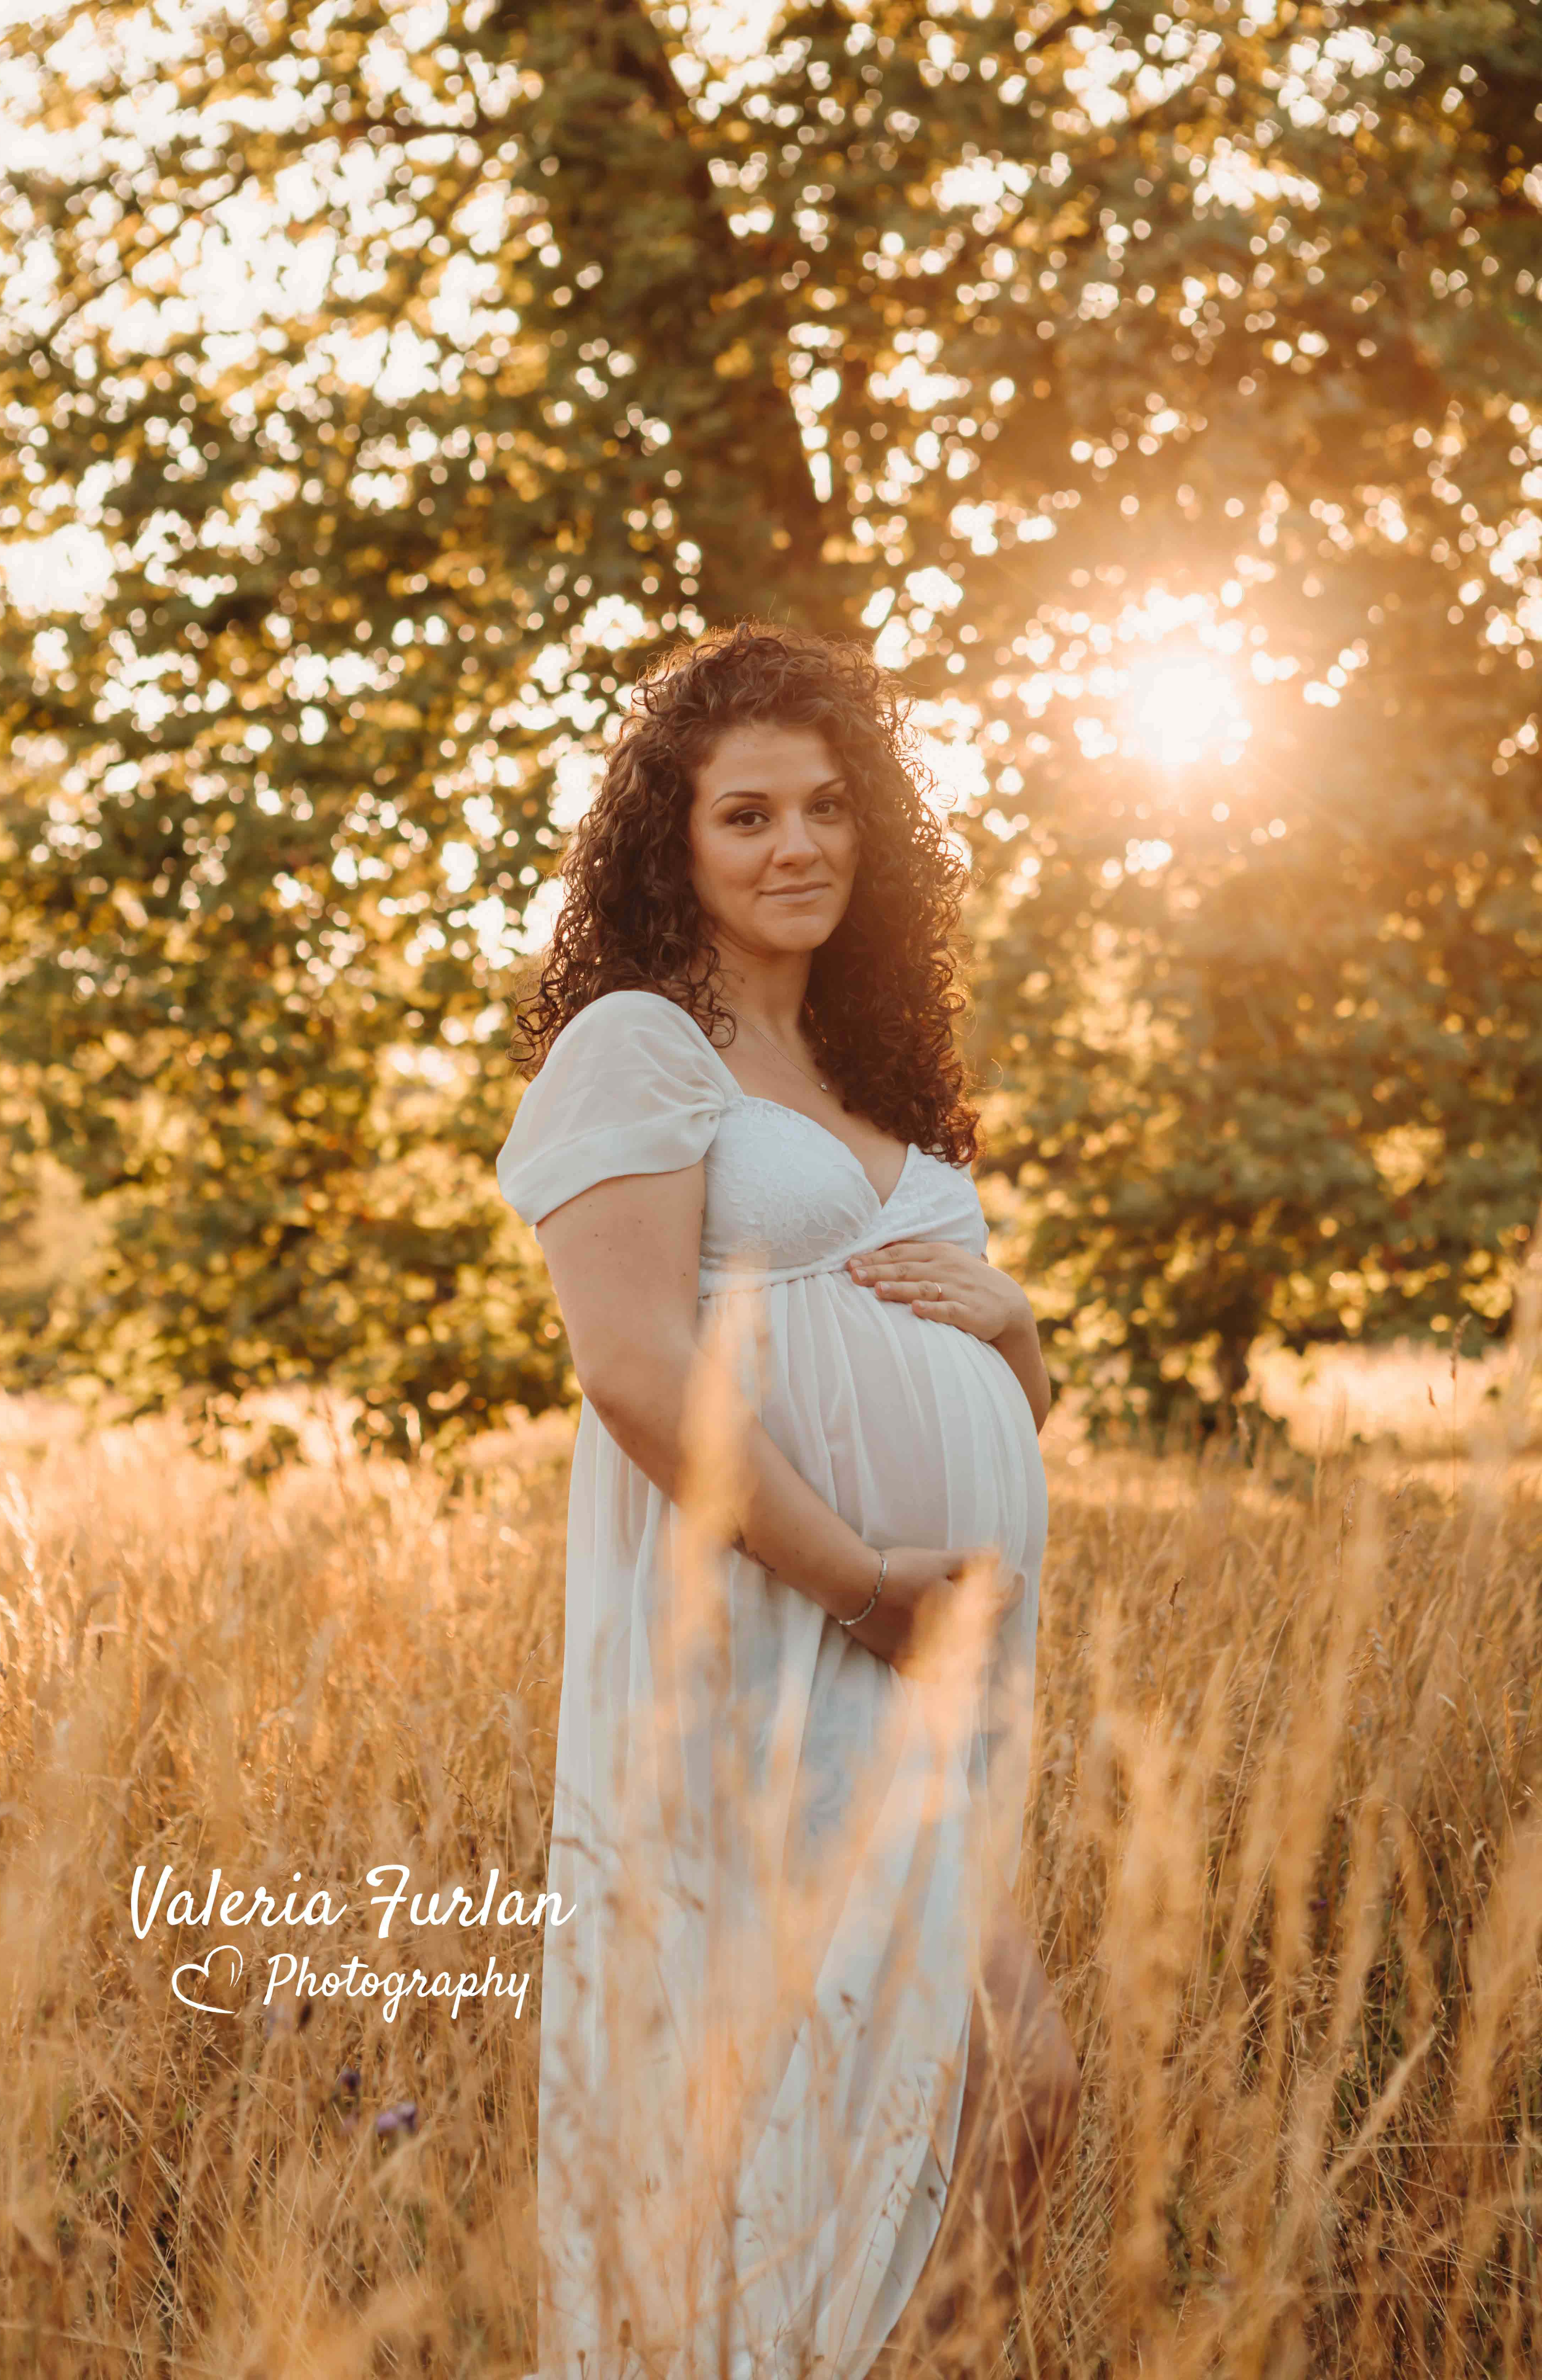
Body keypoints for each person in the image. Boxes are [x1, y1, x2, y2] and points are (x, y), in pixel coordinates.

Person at [495, 620, 1079, 2380]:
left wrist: (1020, 1336)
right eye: (745, 815)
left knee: (993, 2090)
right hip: (783, 1640)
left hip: (925, 1664)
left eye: (830, 807)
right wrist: (862, 1585)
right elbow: (635, 1370)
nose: (797, 845)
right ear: (669, 844)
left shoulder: (882, 1079)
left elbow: (984, 1401)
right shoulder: (636, 1045)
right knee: (851, 2092)